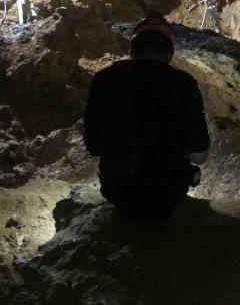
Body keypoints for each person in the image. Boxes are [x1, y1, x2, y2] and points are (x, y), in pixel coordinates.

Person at [84, 14, 210, 220]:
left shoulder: (105, 79)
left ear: (132, 50)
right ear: (169, 54)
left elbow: (93, 146)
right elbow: (200, 156)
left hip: (118, 191)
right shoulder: (183, 84)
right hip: (167, 194)